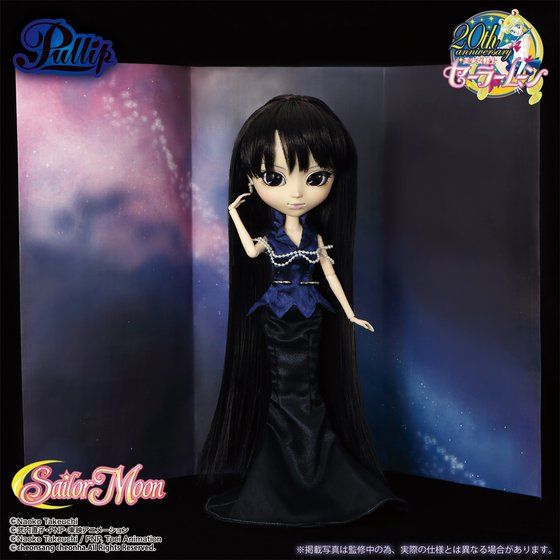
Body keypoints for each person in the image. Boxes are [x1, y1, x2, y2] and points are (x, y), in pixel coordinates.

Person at [196, 94, 409, 527]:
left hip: (311, 313)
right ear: (252, 179)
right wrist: (234, 214)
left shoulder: (314, 238)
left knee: (307, 388)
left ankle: (314, 471)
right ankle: (285, 473)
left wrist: (349, 313)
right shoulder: (271, 239)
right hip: (277, 314)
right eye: (274, 177)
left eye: (315, 177)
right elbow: (249, 251)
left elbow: (331, 275)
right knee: (284, 389)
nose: (295, 193)